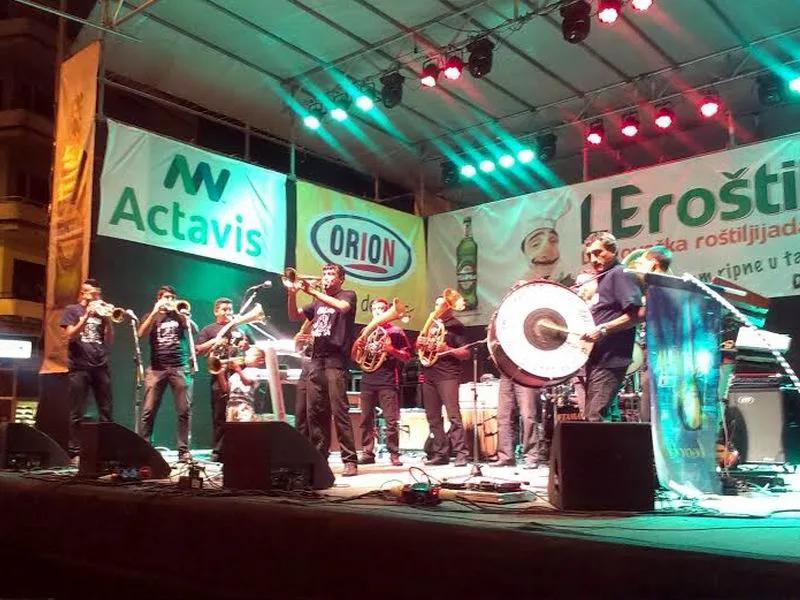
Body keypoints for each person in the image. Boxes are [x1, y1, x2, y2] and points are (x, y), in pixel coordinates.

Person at [285, 263, 359, 477]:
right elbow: (294, 315)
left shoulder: (348, 295)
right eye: (324, 274)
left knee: (339, 411)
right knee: (316, 412)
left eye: (331, 274)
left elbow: (343, 308)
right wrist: (292, 294)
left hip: (335, 359)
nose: (326, 277)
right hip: (316, 360)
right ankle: (319, 457)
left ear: (341, 279)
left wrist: (313, 291)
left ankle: (350, 460)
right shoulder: (317, 302)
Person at [579, 232, 643, 422]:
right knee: (596, 416)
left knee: (595, 416)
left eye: (598, 252)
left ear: (613, 250)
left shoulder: (619, 273)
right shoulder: (603, 277)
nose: (593, 259)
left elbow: (636, 315)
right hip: (598, 358)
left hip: (611, 359)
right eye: (589, 255)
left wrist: (603, 329)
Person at [137, 285, 194, 462]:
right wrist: (155, 311)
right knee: (148, 410)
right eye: (166, 297)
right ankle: (145, 448)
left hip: (179, 367)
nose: (169, 300)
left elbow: (193, 329)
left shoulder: (180, 315)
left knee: (184, 410)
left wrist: (177, 312)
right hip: (156, 369)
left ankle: (183, 451)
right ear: (159, 299)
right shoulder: (152, 316)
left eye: (172, 297)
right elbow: (140, 333)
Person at [60, 278, 114, 462]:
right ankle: (75, 452)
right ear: (83, 293)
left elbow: (109, 340)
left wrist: (108, 319)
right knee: (77, 411)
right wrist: (85, 317)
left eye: (98, 293)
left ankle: (106, 451)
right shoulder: (72, 310)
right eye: (93, 293)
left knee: (106, 409)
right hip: (79, 367)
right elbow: (70, 336)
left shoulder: (101, 313)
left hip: (100, 366)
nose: (97, 296)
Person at [354, 298, 411, 467]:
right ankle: (367, 452)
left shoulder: (396, 331)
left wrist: (391, 350)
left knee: (391, 420)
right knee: (365, 419)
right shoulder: (366, 331)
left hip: (387, 380)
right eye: (375, 309)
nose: (379, 311)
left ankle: (394, 454)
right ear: (371, 311)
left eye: (383, 308)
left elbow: (407, 357)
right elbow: (356, 357)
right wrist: (358, 345)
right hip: (368, 379)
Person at [195, 297, 252, 462]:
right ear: (216, 311)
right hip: (219, 374)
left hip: (239, 374)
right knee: (219, 414)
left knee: (241, 413)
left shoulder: (242, 327)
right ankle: (218, 450)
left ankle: (239, 448)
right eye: (224, 309)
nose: (228, 312)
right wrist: (215, 341)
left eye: (230, 309)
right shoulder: (209, 329)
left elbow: (254, 349)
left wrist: (246, 346)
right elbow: (198, 349)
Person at [417, 296, 471, 466]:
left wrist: (447, 349)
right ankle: (441, 453)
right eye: (436, 305)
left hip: (448, 375)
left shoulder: (457, 326)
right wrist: (420, 343)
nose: (437, 308)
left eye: (441, 305)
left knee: (453, 415)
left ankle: (461, 453)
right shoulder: (431, 324)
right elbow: (421, 349)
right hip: (429, 373)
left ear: (449, 308)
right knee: (432, 416)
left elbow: (466, 353)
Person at [628, 245, 673, 422]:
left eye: (641, 263)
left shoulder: (661, 288)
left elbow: (643, 314)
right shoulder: (659, 288)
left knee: (650, 411)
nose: (637, 267)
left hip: (660, 356)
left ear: (654, 263)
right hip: (656, 354)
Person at [225, 347, 268, 422]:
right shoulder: (236, 374)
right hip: (231, 406)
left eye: (250, 355)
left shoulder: (257, 372)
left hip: (244, 405)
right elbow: (226, 389)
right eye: (246, 355)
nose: (246, 357)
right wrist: (220, 373)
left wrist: (238, 370)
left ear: (260, 360)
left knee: (245, 427)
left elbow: (247, 382)